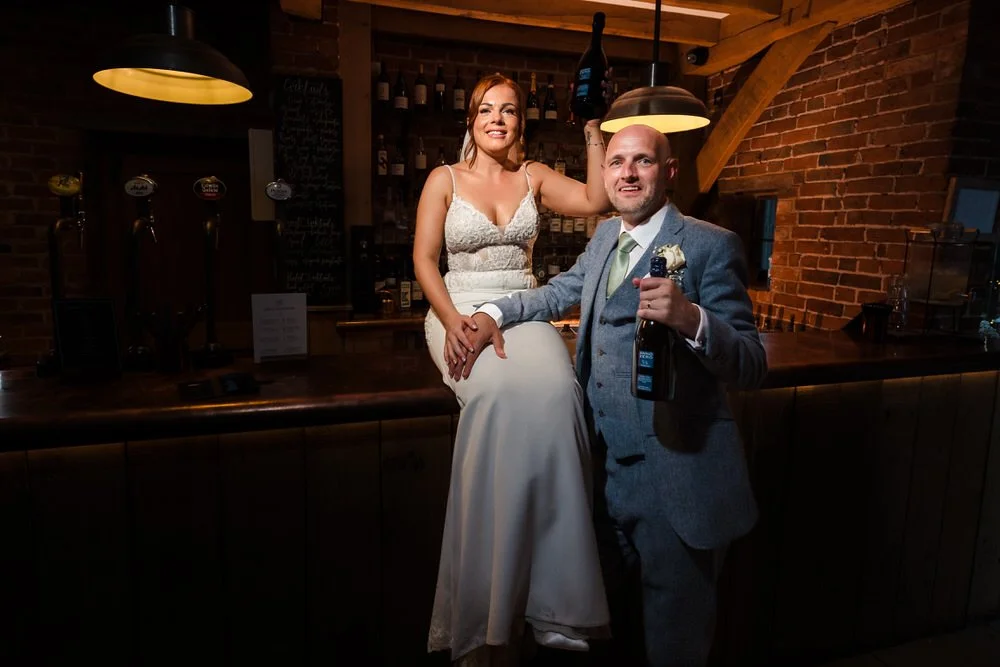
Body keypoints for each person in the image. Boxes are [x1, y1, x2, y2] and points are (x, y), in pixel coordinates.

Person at [459, 123, 767, 666]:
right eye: (617, 162)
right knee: (604, 630)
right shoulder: (605, 236)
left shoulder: (709, 245)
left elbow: (750, 363)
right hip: (603, 475)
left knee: (675, 639)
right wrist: (493, 312)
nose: (627, 173)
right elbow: (562, 291)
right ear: (605, 173)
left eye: (643, 161)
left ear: (667, 172)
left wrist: (691, 318)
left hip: (676, 478)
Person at [413, 72, 614, 665]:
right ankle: (487, 593)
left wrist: (594, 129)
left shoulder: (534, 177)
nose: (497, 118)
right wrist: (452, 321)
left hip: (525, 311)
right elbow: (424, 261)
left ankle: (555, 601)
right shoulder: (443, 179)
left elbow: (598, 200)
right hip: (457, 309)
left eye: (509, 110)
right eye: (485, 110)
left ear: (521, 122)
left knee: (559, 393)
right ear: (471, 120)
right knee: (497, 398)